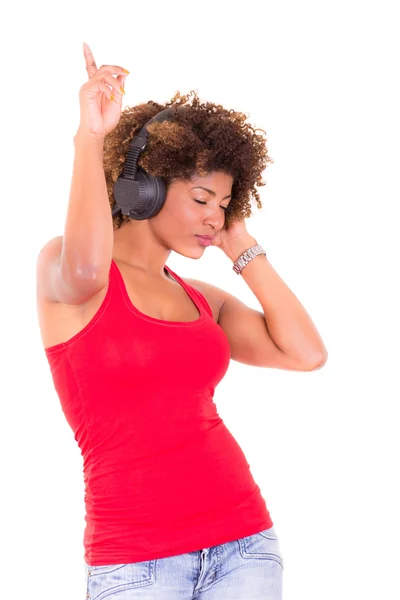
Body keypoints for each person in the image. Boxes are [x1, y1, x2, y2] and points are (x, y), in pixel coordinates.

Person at [36, 42, 327, 599]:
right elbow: (88, 263)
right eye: (201, 198)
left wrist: (239, 240)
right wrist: (90, 138)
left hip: (244, 543)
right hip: (136, 562)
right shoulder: (68, 273)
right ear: (144, 189)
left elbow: (305, 353)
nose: (214, 216)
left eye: (223, 202)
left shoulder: (203, 301)